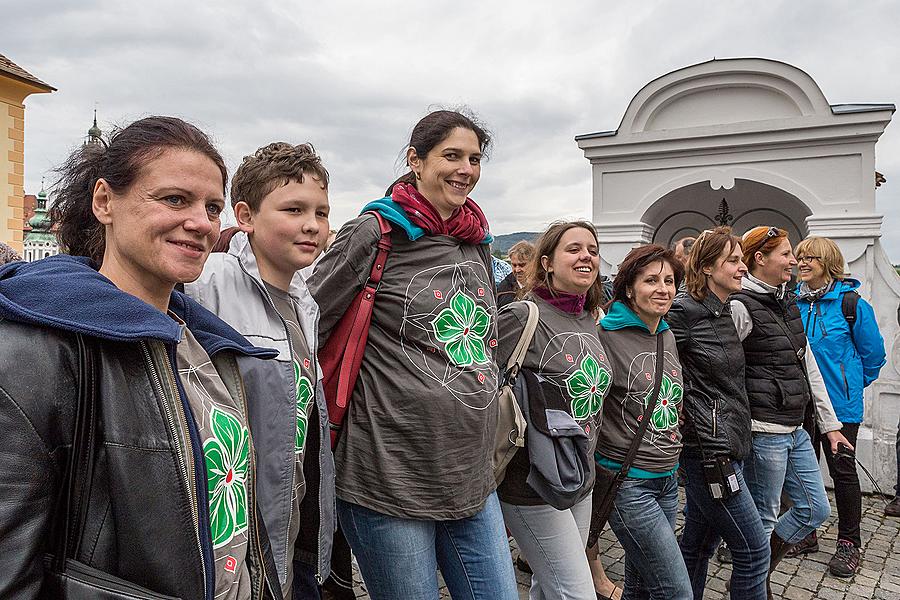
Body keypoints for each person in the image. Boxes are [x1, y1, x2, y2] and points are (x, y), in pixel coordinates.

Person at [0, 116, 282, 598]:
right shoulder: (34, 350)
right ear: (105, 201)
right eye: (174, 199)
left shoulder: (212, 347)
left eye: (212, 207)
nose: (201, 223)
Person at [307, 109, 518, 600]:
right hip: (390, 475)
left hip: (470, 474)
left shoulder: (474, 241)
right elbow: (307, 322)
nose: (465, 168)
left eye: (474, 158)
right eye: (451, 156)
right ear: (415, 160)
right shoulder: (377, 232)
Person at [185, 142, 336, 598]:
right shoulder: (205, 282)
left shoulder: (305, 298)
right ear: (246, 216)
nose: (312, 225)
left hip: (289, 513)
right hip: (228, 517)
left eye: (322, 212)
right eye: (293, 209)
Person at [730, 226, 852, 597]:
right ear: (759, 260)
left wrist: (831, 426)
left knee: (815, 510)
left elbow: (807, 363)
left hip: (796, 427)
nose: (793, 261)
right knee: (763, 518)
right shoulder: (739, 306)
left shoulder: (786, 301)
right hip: (763, 430)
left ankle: (758, 570)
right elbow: (722, 370)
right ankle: (754, 584)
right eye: (785, 254)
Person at [497, 221, 612, 600]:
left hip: (579, 474)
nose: (586, 256)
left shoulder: (590, 318)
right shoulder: (521, 316)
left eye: (592, 250)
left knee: (548, 588)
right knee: (576, 592)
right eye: (574, 249)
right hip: (531, 482)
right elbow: (480, 386)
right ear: (546, 262)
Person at [667, 227, 770, 599]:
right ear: (707, 267)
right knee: (755, 551)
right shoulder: (684, 311)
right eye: (734, 260)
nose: (743, 267)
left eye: (742, 259)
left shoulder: (725, 310)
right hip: (709, 455)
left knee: (697, 543)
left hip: (730, 446)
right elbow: (659, 371)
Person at [596, 244, 692, 600]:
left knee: (640, 586)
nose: (663, 289)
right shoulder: (605, 335)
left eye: (669, 280)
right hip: (628, 484)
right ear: (628, 288)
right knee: (676, 591)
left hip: (667, 479)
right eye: (651, 280)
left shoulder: (665, 333)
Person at [791, 236, 885, 576]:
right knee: (801, 471)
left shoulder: (851, 305)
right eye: (799, 257)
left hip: (841, 408)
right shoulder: (794, 304)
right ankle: (806, 533)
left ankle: (849, 543)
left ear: (828, 262)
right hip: (801, 405)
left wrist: (850, 385)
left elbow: (874, 355)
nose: (801, 263)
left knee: (842, 473)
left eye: (810, 259)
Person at [497, 240, 534, 308]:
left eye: (522, 265)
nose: (517, 270)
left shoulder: (544, 285)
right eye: (514, 265)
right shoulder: (504, 289)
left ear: (533, 263)